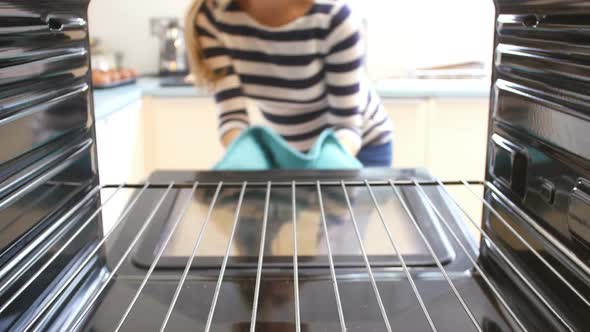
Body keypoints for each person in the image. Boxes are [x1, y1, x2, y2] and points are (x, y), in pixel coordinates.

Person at [185, 0, 394, 167]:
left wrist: (323, 171)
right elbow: (232, 118)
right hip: (290, 151)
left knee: (338, 221)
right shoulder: (213, 15)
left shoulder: (334, 16)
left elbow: (346, 125)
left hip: (358, 149)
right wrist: (245, 162)